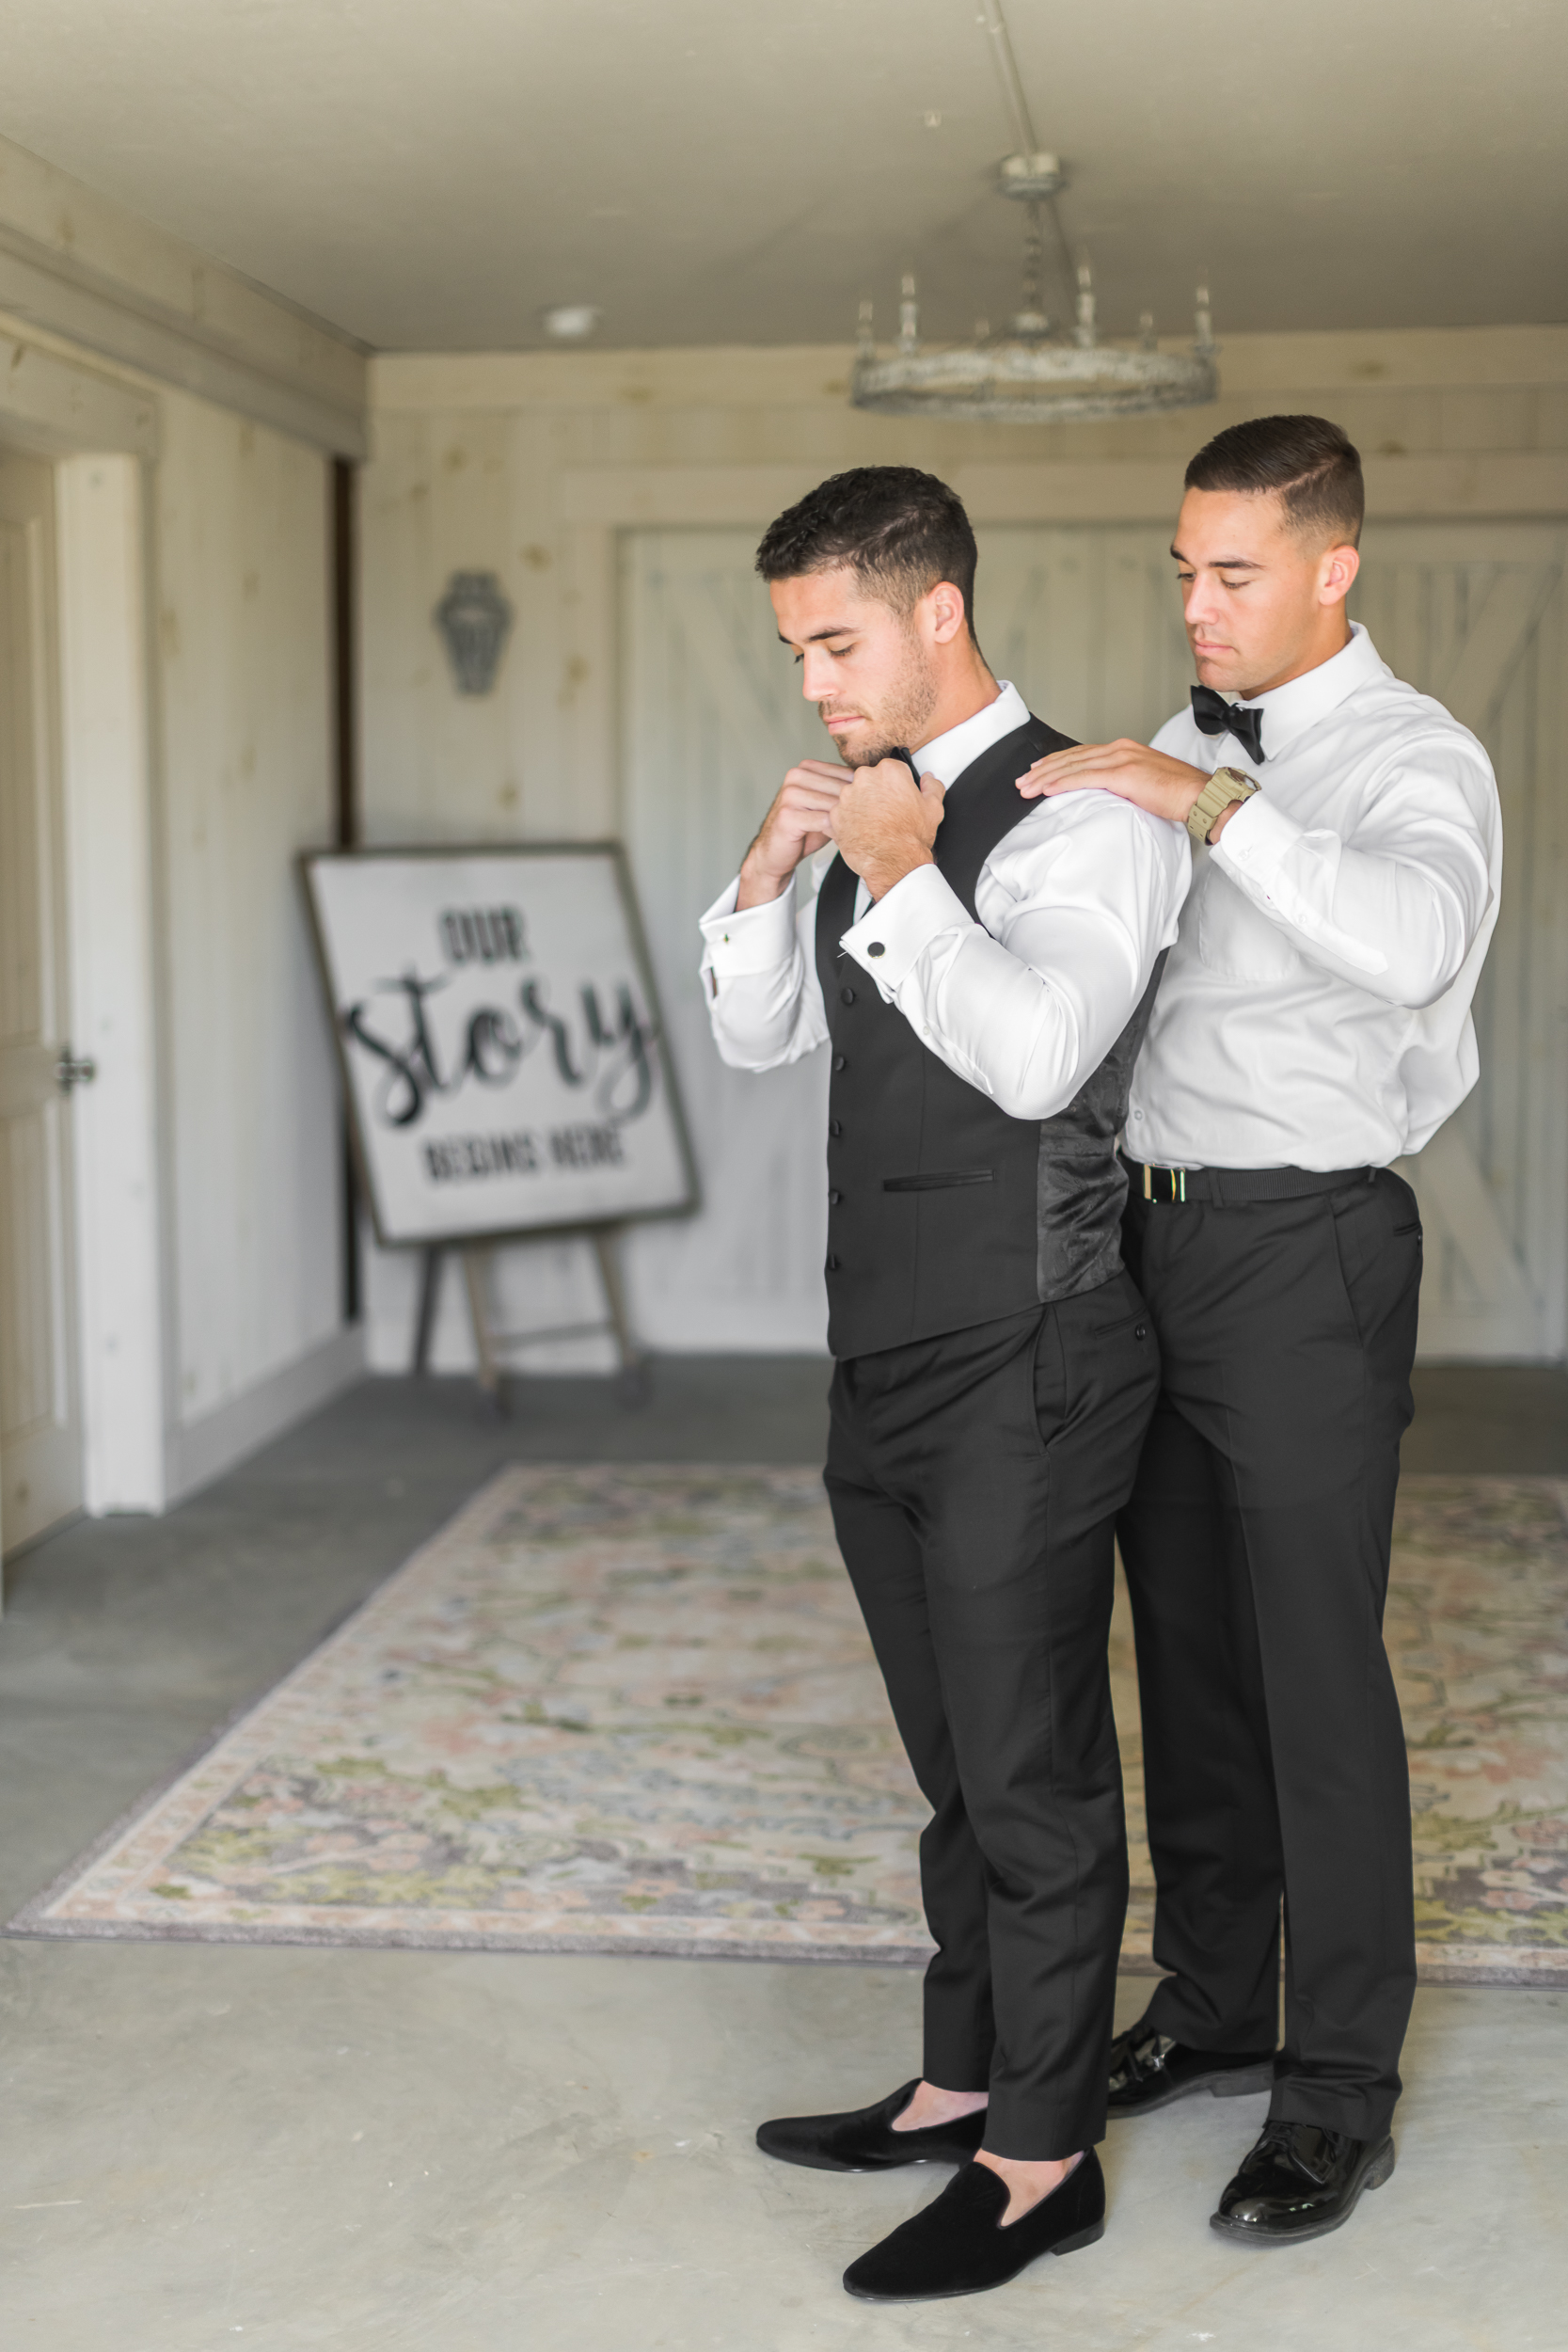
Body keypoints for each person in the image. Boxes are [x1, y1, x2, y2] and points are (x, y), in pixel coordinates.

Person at [697, 465, 1188, 2303]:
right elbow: (762, 1040)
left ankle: (1041, 2155)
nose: (817, 683)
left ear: (938, 614)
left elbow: (1043, 1055)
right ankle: (961, 2076)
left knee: (1036, 1771)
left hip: (1032, 1350)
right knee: (954, 1765)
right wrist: (769, 877)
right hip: (880, 1353)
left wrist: (904, 872)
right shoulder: (857, 812)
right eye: (796, 648)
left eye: (838, 641)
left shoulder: (1080, 814)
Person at [1018, 413, 1502, 2246]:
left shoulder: (1412, 758)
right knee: (1192, 1661)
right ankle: (1217, 2008)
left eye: (1231, 574)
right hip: (1146, 1242)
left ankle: (1339, 2089)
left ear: (1332, 568)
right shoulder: (1179, 729)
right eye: (1182, 571)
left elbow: (1411, 936)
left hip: (1306, 1249)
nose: (1198, 606)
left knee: (1318, 1675)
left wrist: (1208, 800)